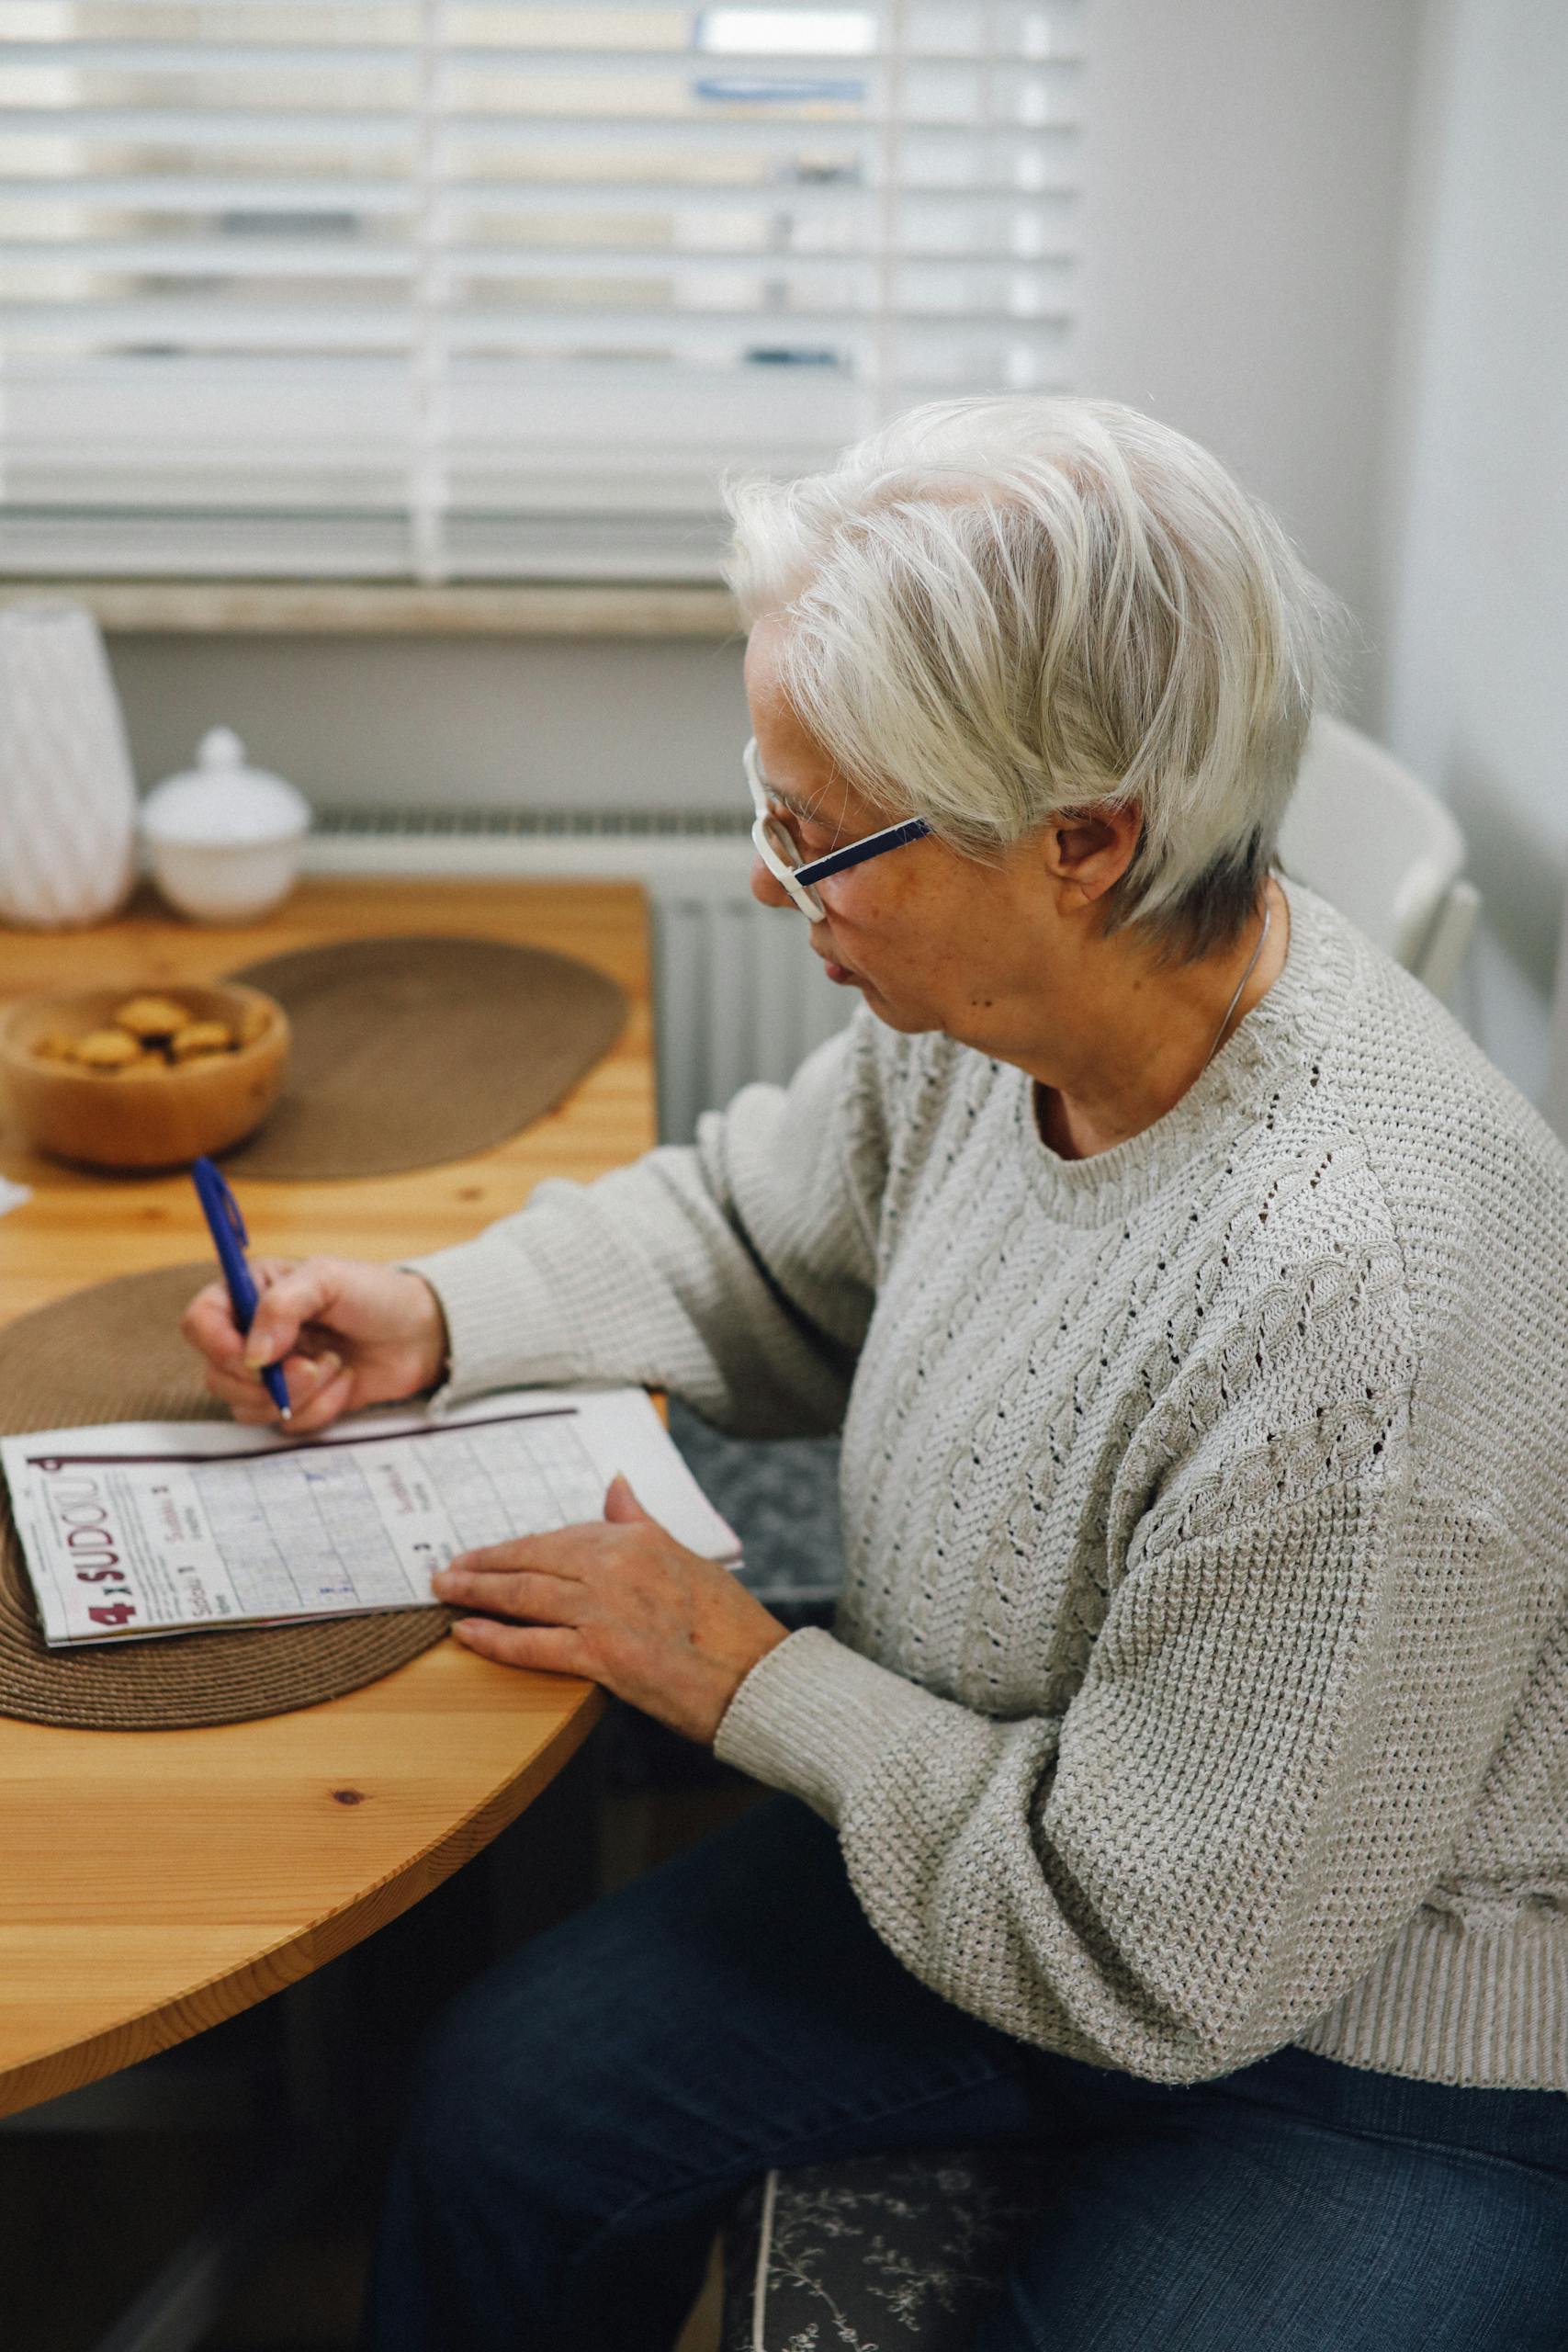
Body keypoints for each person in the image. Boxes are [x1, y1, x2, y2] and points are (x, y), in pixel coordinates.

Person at [182, 399, 1568, 2351]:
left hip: (1360, 2038)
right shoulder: (990, 1005)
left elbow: (1160, 1951)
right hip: (1009, 1819)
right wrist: (437, 1308)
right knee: (503, 2101)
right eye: (773, 805)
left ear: (1080, 839)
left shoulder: (1369, 1299)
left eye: (818, 833)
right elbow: (759, 1233)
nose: (773, 881)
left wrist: (748, 1675)